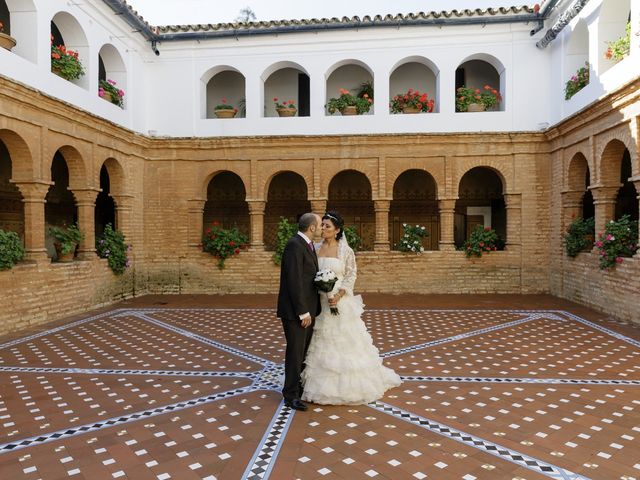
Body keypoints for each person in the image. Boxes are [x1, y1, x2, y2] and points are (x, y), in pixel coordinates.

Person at [301, 211, 402, 405]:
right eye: (322, 225)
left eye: (327, 226)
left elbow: (351, 275)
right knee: (318, 339)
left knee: (343, 339)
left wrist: (338, 295)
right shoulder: (315, 247)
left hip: (339, 301)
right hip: (319, 302)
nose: (323, 229)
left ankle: (346, 386)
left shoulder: (345, 251)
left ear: (337, 230)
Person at [276, 212, 322, 411]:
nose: (321, 229)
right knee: (295, 353)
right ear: (311, 228)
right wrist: (303, 312)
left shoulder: (307, 245)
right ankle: (290, 395)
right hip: (296, 312)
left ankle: (298, 388)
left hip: (307, 309)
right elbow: (293, 281)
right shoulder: (295, 245)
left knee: (302, 352)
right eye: (320, 225)